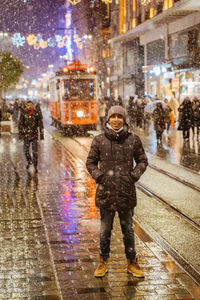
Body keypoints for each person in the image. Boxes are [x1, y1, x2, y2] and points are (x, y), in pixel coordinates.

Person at [86, 105, 148, 278]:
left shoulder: (133, 140)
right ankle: (103, 261)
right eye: (112, 116)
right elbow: (90, 163)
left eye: (119, 117)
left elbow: (142, 160)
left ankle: (131, 262)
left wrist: (133, 176)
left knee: (128, 229)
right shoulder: (99, 140)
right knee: (105, 230)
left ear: (124, 119)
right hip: (106, 192)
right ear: (107, 119)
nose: (116, 120)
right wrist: (100, 177)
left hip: (126, 192)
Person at [18, 100, 44, 171]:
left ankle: (35, 166)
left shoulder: (36, 113)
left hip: (34, 135)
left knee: (35, 152)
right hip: (26, 135)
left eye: (31, 105)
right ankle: (29, 161)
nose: (29, 106)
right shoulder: (23, 113)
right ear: (26, 106)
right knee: (26, 151)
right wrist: (20, 135)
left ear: (33, 106)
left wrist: (41, 135)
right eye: (28, 105)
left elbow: (40, 125)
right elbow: (20, 125)